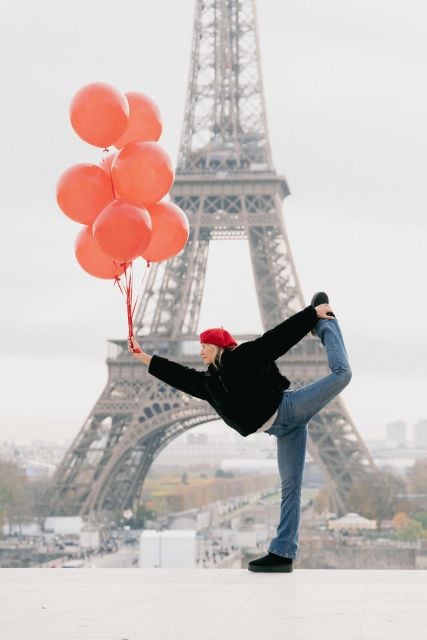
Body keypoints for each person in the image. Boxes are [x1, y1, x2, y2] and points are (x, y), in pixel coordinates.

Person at [128, 292, 352, 573]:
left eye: (204, 346)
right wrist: (143, 357)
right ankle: (282, 553)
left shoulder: (242, 358)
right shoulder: (208, 383)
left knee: (342, 374)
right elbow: (178, 375)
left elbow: (275, 340)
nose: (200, 352)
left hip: (289, 409)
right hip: (282, 430)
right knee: (290, 489)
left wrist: (311, 315)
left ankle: (326, 323)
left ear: (217, 346)